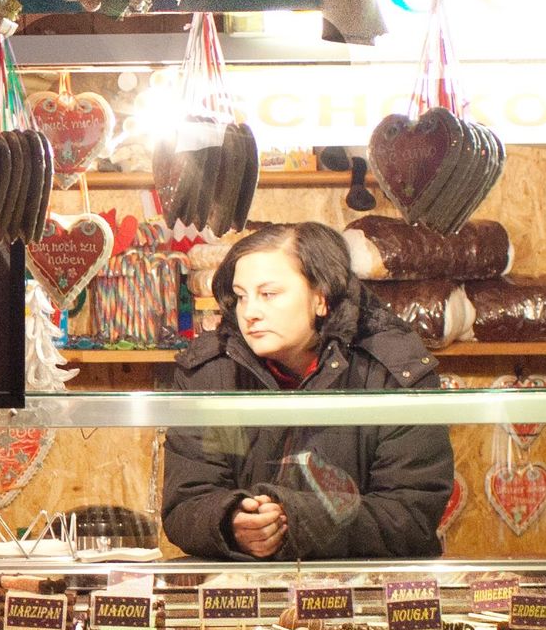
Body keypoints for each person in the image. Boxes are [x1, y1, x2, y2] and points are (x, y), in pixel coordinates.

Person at [159, 219, 455, 561]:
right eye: (241, 297)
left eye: (269, 294)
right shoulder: (210, 373)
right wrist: (230, 522)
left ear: (320, 297)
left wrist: (294, 520)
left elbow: (410, 515)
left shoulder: (395, 371)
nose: (250, 312)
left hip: (361, 596)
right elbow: (186, 501)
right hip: (241, 594)